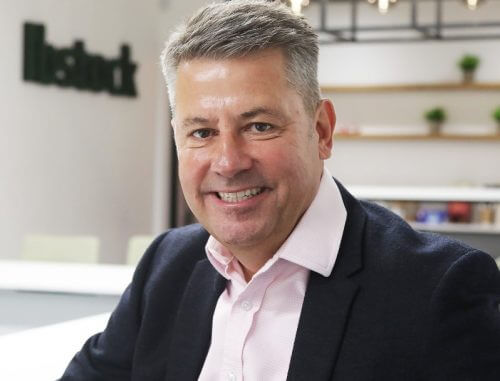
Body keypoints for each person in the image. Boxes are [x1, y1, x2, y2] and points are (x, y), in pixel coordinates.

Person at [61, 1, 500, 380]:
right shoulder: (167, 264)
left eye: (259, 126)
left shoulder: (439, 289)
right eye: (201, 132)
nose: (229, 162)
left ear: (322, 130)